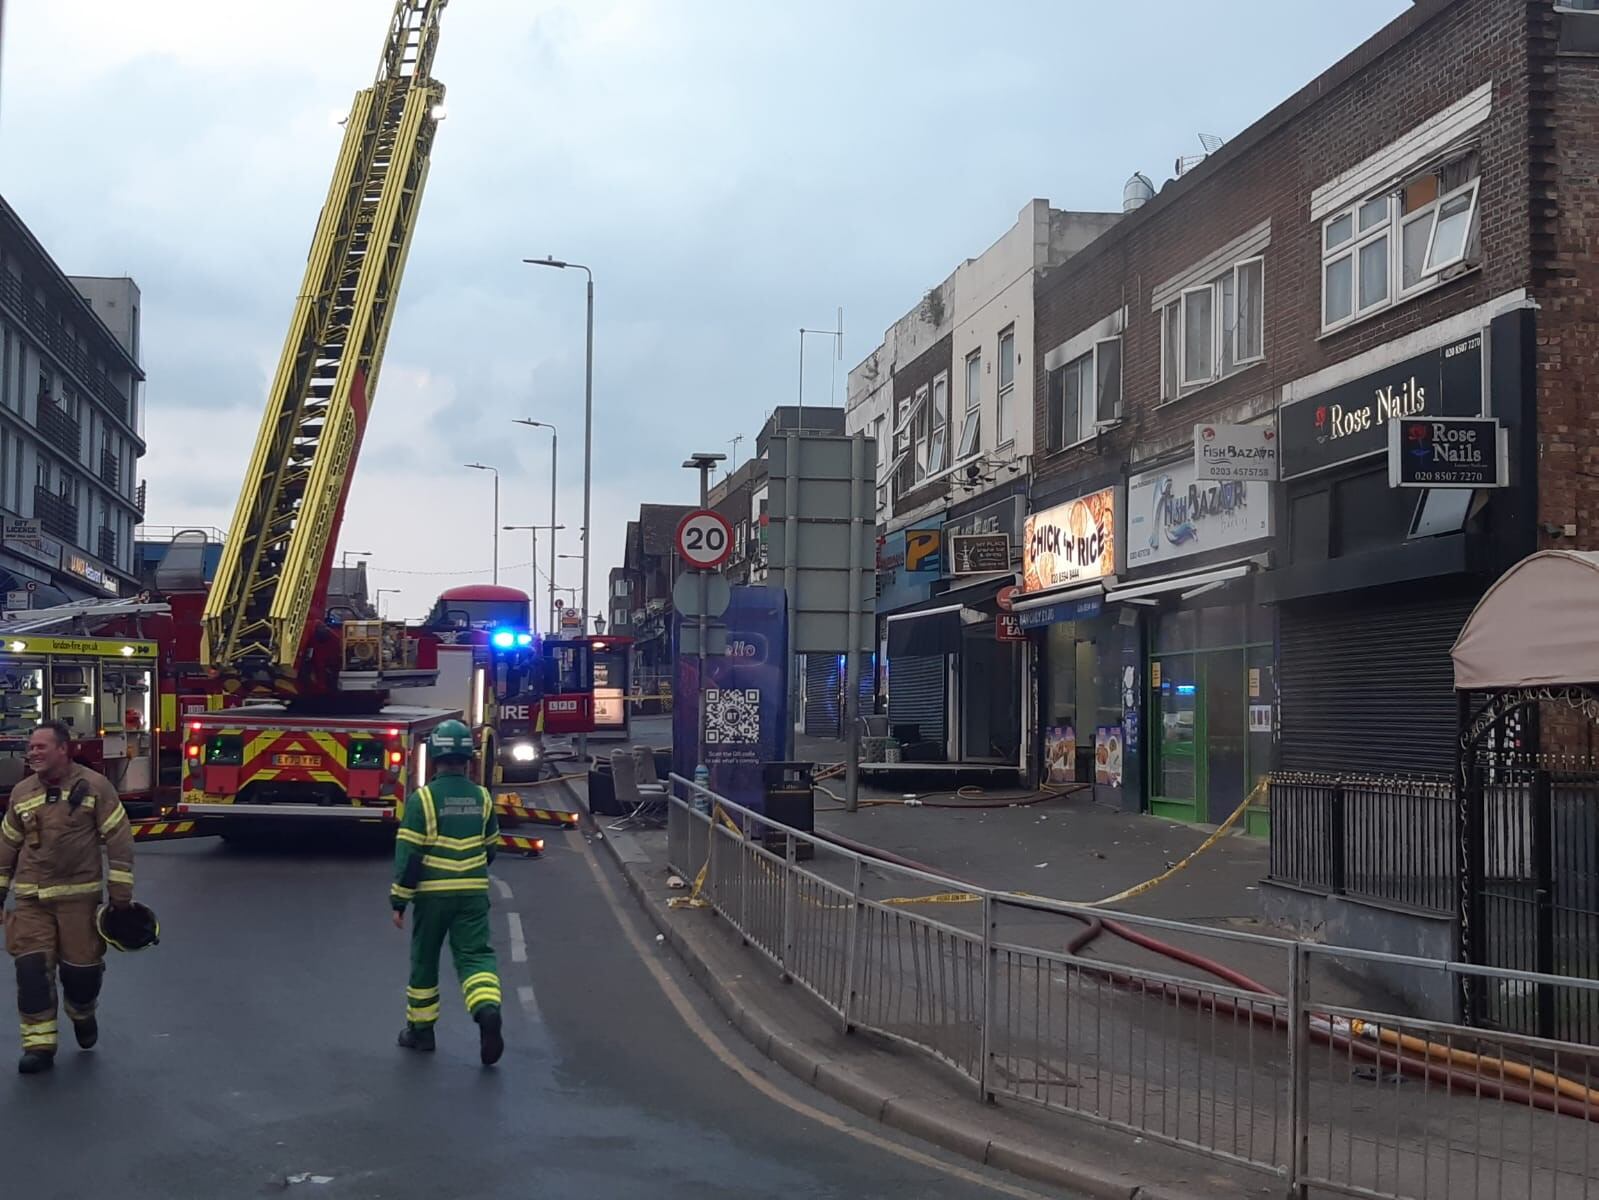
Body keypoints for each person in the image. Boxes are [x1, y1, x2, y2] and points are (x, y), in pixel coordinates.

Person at [0, 720, 135, 1075]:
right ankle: (39, 1047)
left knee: (81, 974)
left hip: (79, 901)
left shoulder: (94, 787)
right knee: (30, 971)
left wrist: (120, 896)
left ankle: (83, 1011)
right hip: (31, 901)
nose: (33, 753)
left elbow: (119, 838)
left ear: (64, 749)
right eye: (31, 748)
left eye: (41, 747)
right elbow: (7, 846)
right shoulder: (22, 793)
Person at [390, 719, 504, 1066]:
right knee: (475, 957)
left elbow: (410, 857)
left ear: (435, 756)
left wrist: (399, 901)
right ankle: (487, 1010)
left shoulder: (422, 800)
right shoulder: (482, 797)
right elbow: (491, 848)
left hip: (432, 895)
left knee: (425, 961)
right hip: (472, 893)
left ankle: (421, 1033)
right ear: (468, 758)